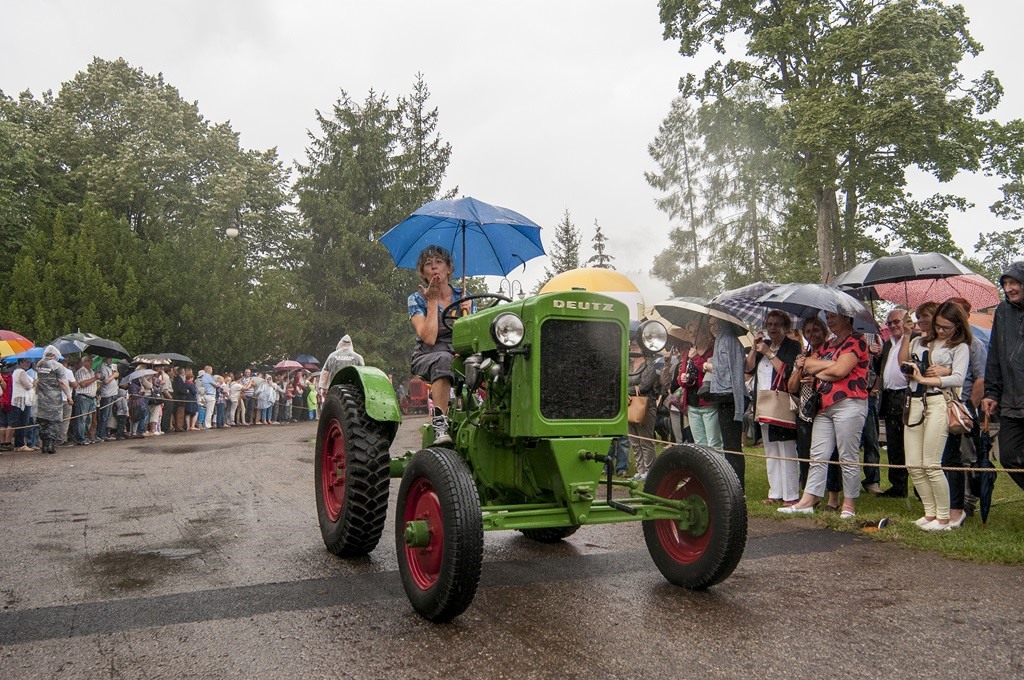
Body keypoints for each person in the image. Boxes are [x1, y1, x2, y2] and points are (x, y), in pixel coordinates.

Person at [780, 312, 869, 519]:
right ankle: (807, 501)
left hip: (849, 402)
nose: (829, 320)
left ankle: (849, 504)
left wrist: (826, 369)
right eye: (827, 317)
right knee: (817, 455)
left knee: (847, 456)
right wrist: (832, 365)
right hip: (823, 405)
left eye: (833, 316)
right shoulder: (829, 344)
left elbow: (840, 371)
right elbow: (809, 365)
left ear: (847, 318)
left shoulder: (857, 340)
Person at [900, 300, 971, 531]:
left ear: (958, 326)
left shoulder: (960, 347)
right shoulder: (919, 341)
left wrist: (931, 377)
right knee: (913, 464)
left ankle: (943, 518)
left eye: (946, 327)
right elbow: (904, 366)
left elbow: (959, 377)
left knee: (931, 463)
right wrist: (907, 339)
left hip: (939, 401)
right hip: (914, 401)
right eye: (938, 325)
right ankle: (929, 513)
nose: (941, 330)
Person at [407, 245, 473, 445]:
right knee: (444, 360)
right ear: (423, 272)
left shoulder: (464, 296)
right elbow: (428, 337)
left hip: (459, 351)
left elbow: (472, 337)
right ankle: (440, 424)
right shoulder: (416, 299)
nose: (434, 267)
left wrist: (469, 314)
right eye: (428, 264)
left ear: (449, 269)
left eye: (439, 262)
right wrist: (432, 301)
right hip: (428, 353)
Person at [746, 310, 801, 505]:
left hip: (781, 403)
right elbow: (748, 368)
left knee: (786, 448)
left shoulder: (792, 346)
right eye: (769, 324)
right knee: (770, 449)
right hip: (763, 403)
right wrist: (754, 348)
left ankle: (791, 494)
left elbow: (787, 372)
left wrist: (769, 354)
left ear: (785, 327)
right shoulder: (763, 345)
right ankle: (775, 491)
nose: (772, 328)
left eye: (777, 324)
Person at [944, 297, 987, 525]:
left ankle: (968, 501)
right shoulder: (944, 343)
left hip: (964, 407)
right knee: (949, 456)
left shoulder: (974, 344)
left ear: (967, 316)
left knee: (967, 457)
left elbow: (980, 378)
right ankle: (950, 500)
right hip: (945, 405)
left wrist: (970, 407)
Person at [982, 260, 1024, 494]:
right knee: (1009, 456)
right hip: (1011, 400)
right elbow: (994, 354)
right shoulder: (1002, 312)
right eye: (1005, 284)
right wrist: (992, 392)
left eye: (1014, 283)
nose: (1009, 289)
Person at [705, 316, 748, 489]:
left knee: (732, 446)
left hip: (731, 396)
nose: (713, 327)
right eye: (710, 324)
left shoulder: (729, 340)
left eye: (716, 323)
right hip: (724, 396)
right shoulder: (720, 341)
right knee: (728, 444)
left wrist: (708, 366)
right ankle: (732, 484)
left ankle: (737, 487)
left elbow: (735, 371)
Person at [875, 308, 913, 497]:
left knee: (911, 442)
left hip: (908, 394)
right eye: (889, 323)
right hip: (890, 395)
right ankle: (898, 485)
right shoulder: (888, 343)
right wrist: (877, 356)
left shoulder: (914, 340)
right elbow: (881, 370)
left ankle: (919, 488)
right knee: (894, 442)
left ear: (906, 321)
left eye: (896, 322)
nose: (892, 326)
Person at [682, 319, 721, 449]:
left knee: (714, 443)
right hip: (692, 404)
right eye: (690, 332)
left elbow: (710, 372)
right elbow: (681, 378)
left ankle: (718, 463)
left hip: (708, 402)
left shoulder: (713, 350)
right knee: (700, 445)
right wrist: (682, 378)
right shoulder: (688, 352)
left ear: (705, 332)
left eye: (696, 331)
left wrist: (695, 358)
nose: (693, 334)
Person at [628, 337, 660, 481]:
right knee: (634, 441)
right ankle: (640, 470)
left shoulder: (649, 365)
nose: (634, 347)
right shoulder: (627, 364)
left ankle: (649, 470)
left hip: (646, 407)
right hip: (629, 406)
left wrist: (626, 391)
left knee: (645, 440)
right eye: (632, 345)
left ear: (643, 347)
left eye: (637, 345)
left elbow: (644, 385)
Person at [34, 346, 72, 454]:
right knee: (54, 421)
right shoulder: (58, 366)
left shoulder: (39, 364)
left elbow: (38, 379)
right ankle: (50, 444)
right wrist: (68, 396)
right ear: (55, 355)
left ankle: (44, 445)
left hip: (41, 397)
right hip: (54, 398)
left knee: (43, 421)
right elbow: (62, 382)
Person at [11, 356, 37, 451]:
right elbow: (28, 386)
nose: (28, 364)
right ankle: (20, 444)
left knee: (20, 423)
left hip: (18, 399)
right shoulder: (21, 372)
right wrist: (34, 383)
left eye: (29, 362)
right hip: (22, 401)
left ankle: (18, 445)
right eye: (26, 362)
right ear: (20, 362)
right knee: (23, 423)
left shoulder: (16, 372)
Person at [74, 353, 99, 446]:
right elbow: (83, 384)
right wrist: (95, 378)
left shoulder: (91, 371)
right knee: (82, 419)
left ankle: (87, 436)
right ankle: (81, 438)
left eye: (91, 361)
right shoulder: (80, 372)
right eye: (89, 360)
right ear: (84, 362)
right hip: (83, 397)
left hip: (91, 397)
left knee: (89, 419)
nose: (91, 362)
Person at [96, 356, 119, 441]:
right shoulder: (102, 367)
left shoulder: (110, 367)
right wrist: (114, 375)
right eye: (109, 358)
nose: (111, 360)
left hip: (112, 393)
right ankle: (101, 434)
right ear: (105, 358)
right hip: (106, 394)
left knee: (109, 415)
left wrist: (115, 374)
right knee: (104, 415)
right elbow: (106, 381)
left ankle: (105, 433)